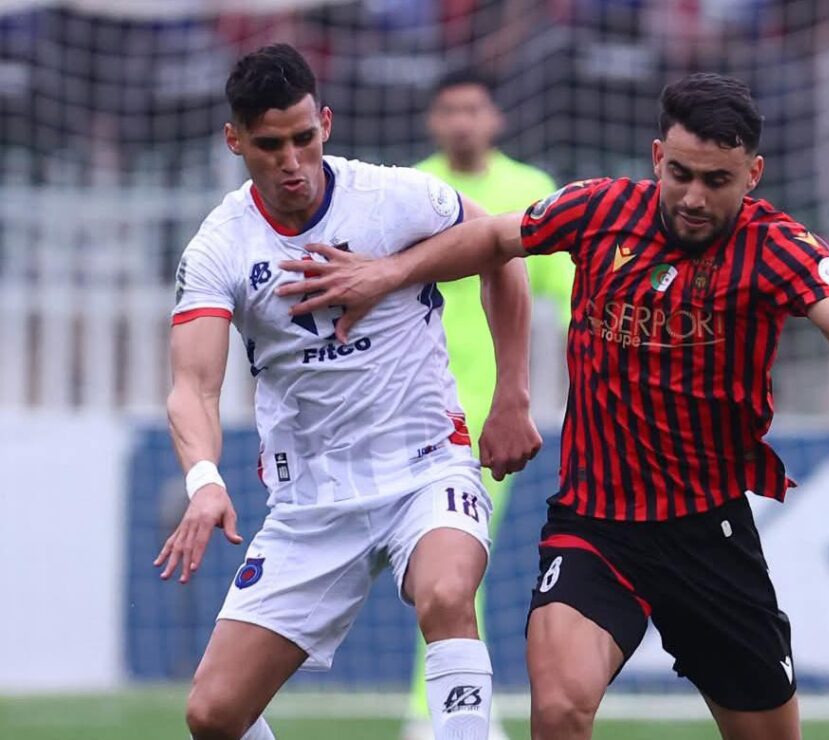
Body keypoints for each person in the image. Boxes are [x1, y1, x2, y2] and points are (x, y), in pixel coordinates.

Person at [277, 73, 829, 740]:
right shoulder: (601, 210)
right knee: (559, 709)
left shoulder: (778, 246)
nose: (693, 197)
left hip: (708, 534)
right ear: (658, 157)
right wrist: (386, 274)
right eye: (681, 174)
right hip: (595, 527)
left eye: (717, 181)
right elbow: (493, 238)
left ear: (752, 175)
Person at [154, 43, 541, 740]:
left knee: (448, 593)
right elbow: (193, 386)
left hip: (426, 464)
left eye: (304, 138)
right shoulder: (220, 246)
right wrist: (204, 479)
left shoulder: (394, 198)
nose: (292, 161)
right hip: (313, 498)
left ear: (326, 123)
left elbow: (501, 251)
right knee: (213, 715)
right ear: (235, 140)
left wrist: (513, 393)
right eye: (270, 145)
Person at [403, 69, 574, 740]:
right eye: (449, 110)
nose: (462, 122)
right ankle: (446, 711)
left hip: (484, 418)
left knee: (454, 564)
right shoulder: (410, 190)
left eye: (473, 109)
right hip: (403, 408)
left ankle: (437, 714)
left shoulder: (529, 189)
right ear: (433, 121)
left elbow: (571, 291)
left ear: (495, 118)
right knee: (430, 567)